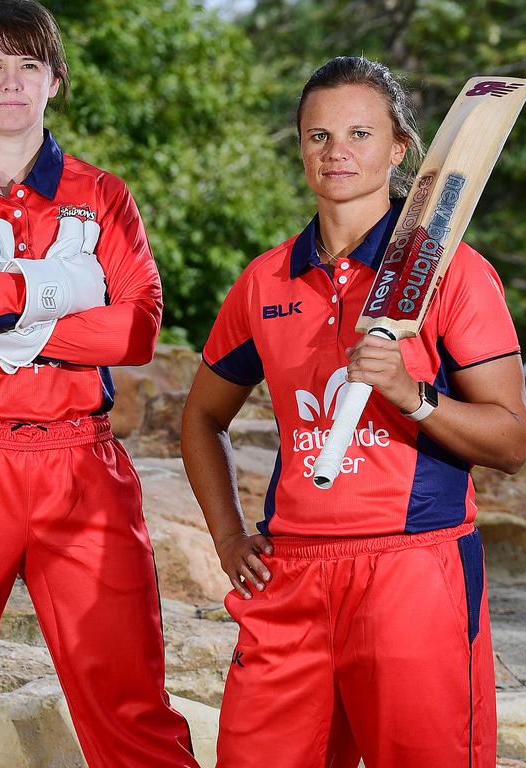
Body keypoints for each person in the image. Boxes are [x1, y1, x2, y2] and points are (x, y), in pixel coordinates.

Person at [0, 1, 199, 765]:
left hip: (80, 463)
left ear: (55, 80)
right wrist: (55, 289)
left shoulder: (104, 195)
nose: (10, 83)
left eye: (28, 65)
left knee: (131, 702)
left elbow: (137, 329)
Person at [182, 55, 526, 767]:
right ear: (301, 146)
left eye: (360, 134)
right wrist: (227, 539)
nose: (337, 152)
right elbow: (201, 418)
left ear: (399, 149)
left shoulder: (456, 273)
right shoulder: (265, 281)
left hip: (414, 572)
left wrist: (414, 396)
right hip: (292, 577)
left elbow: (512, 440)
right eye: (318, 136)